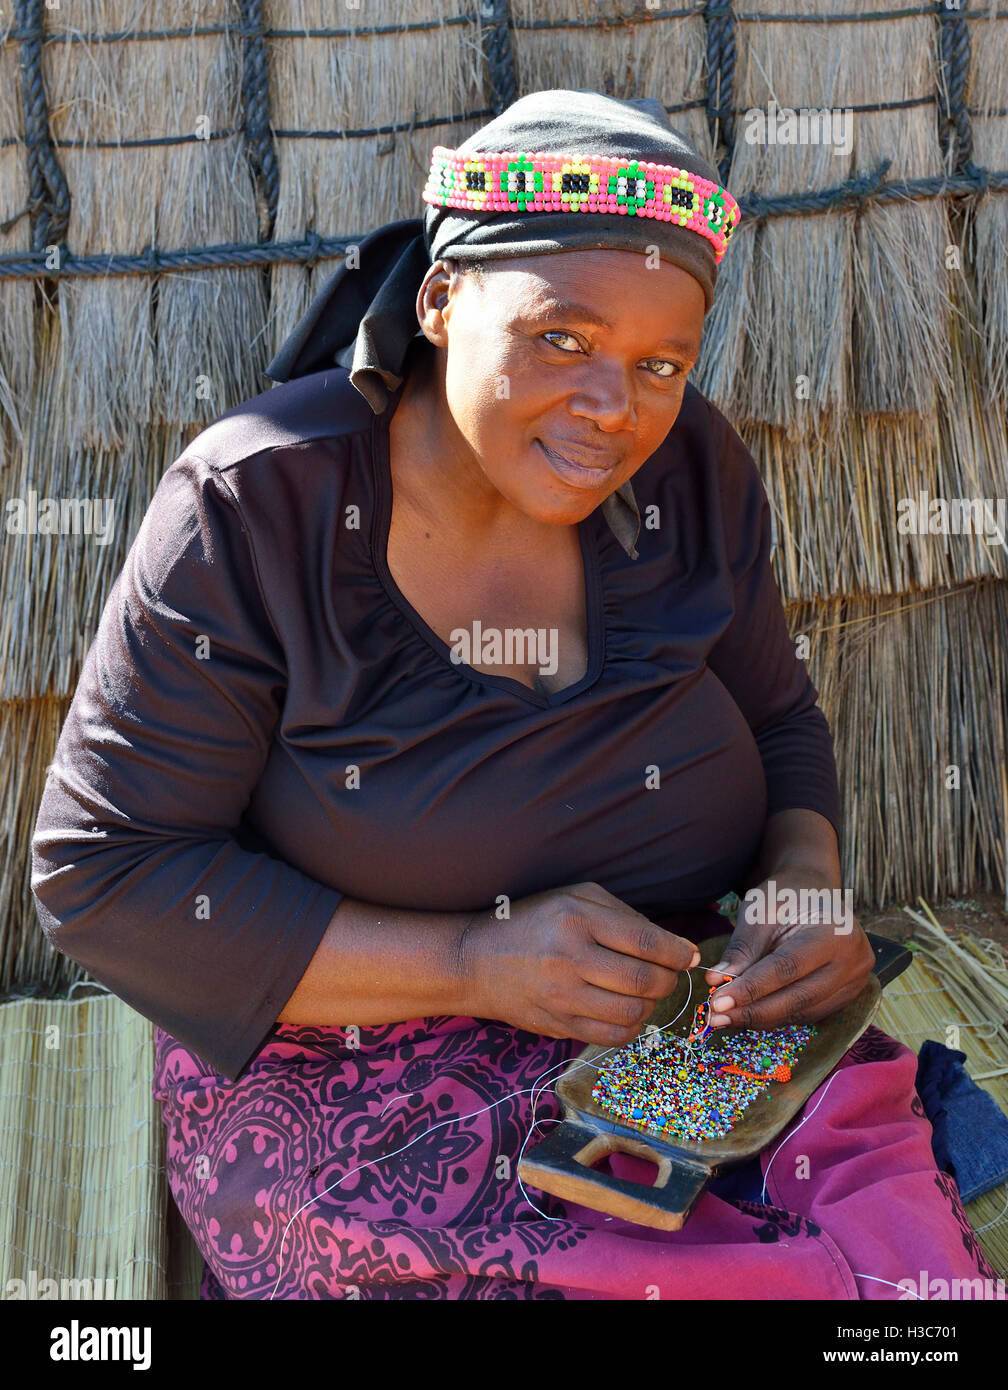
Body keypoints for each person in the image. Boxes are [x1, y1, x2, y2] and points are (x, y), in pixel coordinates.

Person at [31, 89, 996, 1300]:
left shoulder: (691, 468)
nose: (615, 409)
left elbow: (779, 721)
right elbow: (104, 874)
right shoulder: (256, 508)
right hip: (356, 1069)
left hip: (694, 1041)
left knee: (900, 1287)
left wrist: (801, 884)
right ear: (440, 302)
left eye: (660, 363)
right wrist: (477, 963)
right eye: (563, 339)